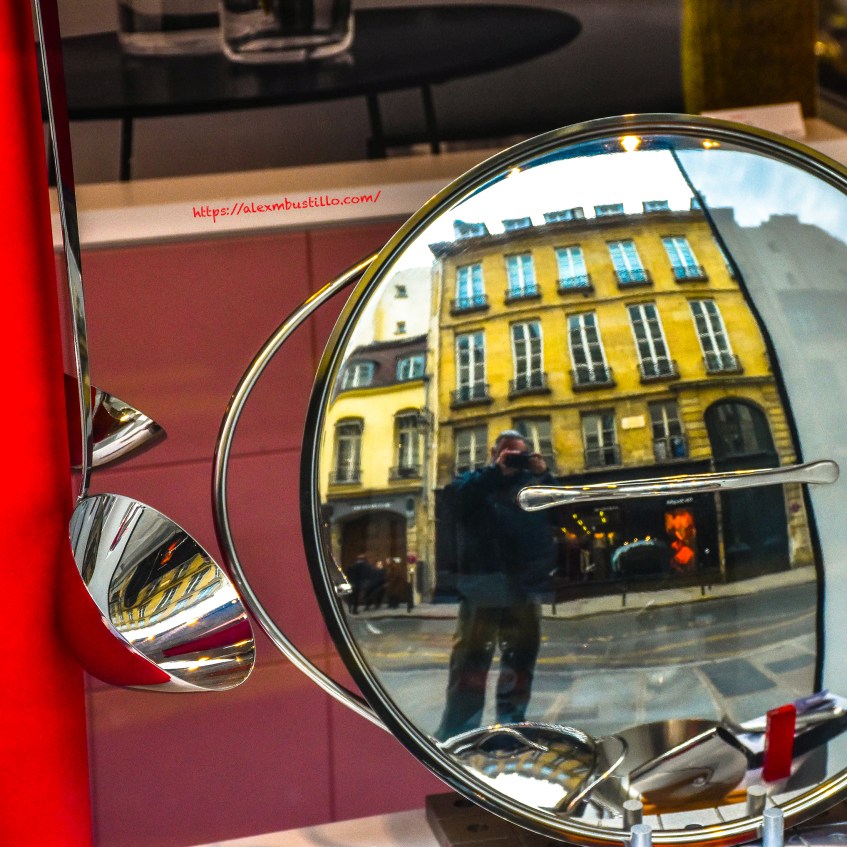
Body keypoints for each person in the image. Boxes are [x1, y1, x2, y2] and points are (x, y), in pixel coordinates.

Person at [434, 431, 557, 742]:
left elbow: (558, 512)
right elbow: (454, 501)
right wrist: (494, 473)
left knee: (520, 664)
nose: (514, 461)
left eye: (521, 455)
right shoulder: (476, 481)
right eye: (508, 454)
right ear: (494, 453)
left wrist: (545, 476)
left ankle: (511, 727)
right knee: (469, 668)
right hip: (481, 589)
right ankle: (459, 734)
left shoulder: (532, 487)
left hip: (523, 589)